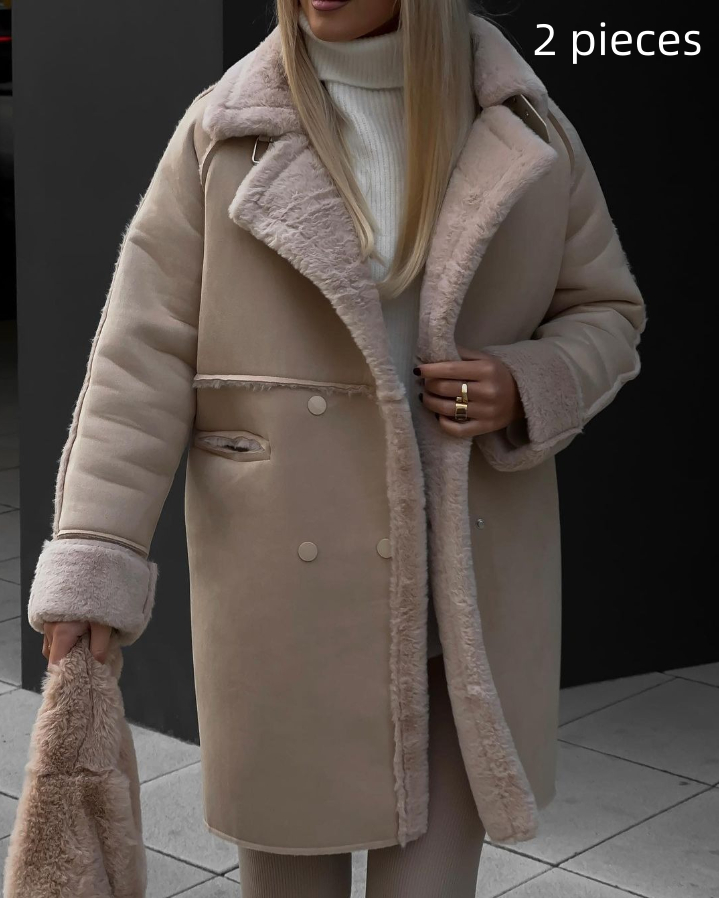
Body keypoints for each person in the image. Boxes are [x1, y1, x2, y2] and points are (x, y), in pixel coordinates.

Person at [26, 1, 646, 895]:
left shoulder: (518, 122)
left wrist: (527, 381)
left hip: (461, 595)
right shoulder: (225, 130)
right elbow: (138, 361)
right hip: (286, 594)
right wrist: (95, 559)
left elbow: (607, 310)